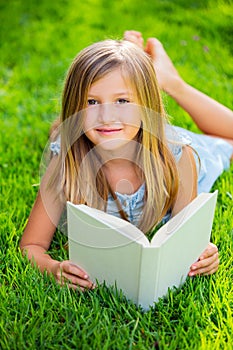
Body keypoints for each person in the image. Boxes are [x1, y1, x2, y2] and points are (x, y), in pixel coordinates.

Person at [20, 34, 233, 292]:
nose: (107, 116)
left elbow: (185, 236)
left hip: (158, 143)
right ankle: (134, 63)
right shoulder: (65, 162)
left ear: (147, 106)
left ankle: (169, 81)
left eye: (122, 101)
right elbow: (31, 246)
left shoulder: (177, 157)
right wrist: (52, 267)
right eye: (91, 102)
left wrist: (203, 251)